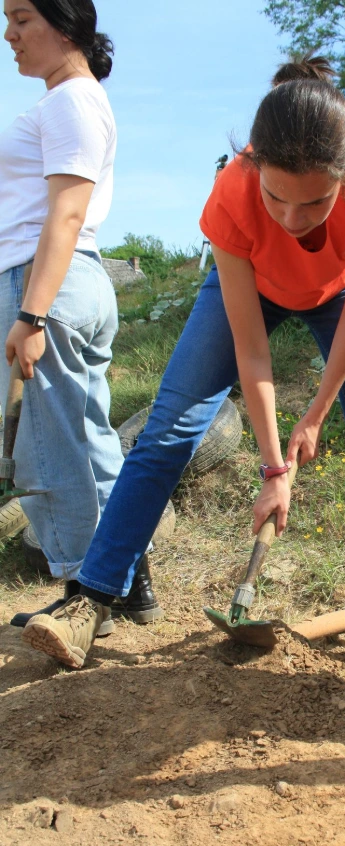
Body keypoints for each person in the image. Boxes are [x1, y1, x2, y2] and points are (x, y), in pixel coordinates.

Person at [22, 56, 345, 681]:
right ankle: (91, 600)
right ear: (253, 168)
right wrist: (276, 466)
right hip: (248, 289)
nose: (292, 219)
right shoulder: (233, 195)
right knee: (167, 428)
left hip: (343, 298)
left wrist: (317, 414)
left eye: (315, 203)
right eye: (277, 197)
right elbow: (253, 352)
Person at [1, 0, 161, 631]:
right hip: (76, 281)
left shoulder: (68, 100)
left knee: (49, 449)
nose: (8, 34)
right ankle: (128, 581)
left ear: (65, 25)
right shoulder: (75, 100)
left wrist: (31, 314)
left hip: (46, 283)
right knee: (90, 439)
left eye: (21, 19)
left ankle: (79, 597)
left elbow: (64, 214)